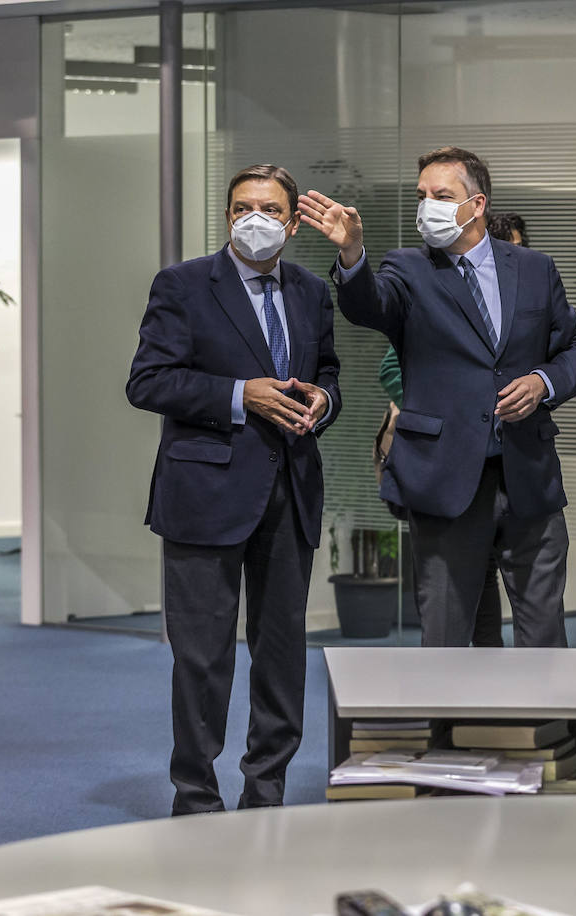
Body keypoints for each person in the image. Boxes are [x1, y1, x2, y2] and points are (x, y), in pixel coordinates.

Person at [298, 146, 576, 648]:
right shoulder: (408, 269)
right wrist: (351, 254)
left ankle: (546, 726)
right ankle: (449, 729)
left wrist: (543, 382)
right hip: (445, 478)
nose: (427, 206)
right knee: (447, 634)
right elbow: (370, 305)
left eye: (441, 195)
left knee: (544, 631)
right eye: (422, 196)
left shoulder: (535, 268)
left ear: (476, 205)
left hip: (528, 476)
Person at [126, 164, 341, 815]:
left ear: (293, 220)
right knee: (202, 659)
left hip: (290, 493)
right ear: (227, 218)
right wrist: (238, 395)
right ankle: (195, 795)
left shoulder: (309, 290)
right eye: (244, 207)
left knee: (281, 657)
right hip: (204, 498)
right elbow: (148, 382)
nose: (257, 218)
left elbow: (327, 369)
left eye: (271, 208)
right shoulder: (185, 285)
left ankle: (266, 787)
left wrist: (324, 401)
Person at [372, 211, 534, 648]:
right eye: (511, 247)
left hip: (516, 465)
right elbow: (391, 367)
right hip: (450, 467)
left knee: (496, 596)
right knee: (455, 604)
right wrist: (451, 409)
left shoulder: (528, 292)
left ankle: (492, 687)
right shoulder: (436, 289)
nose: (516, 257)